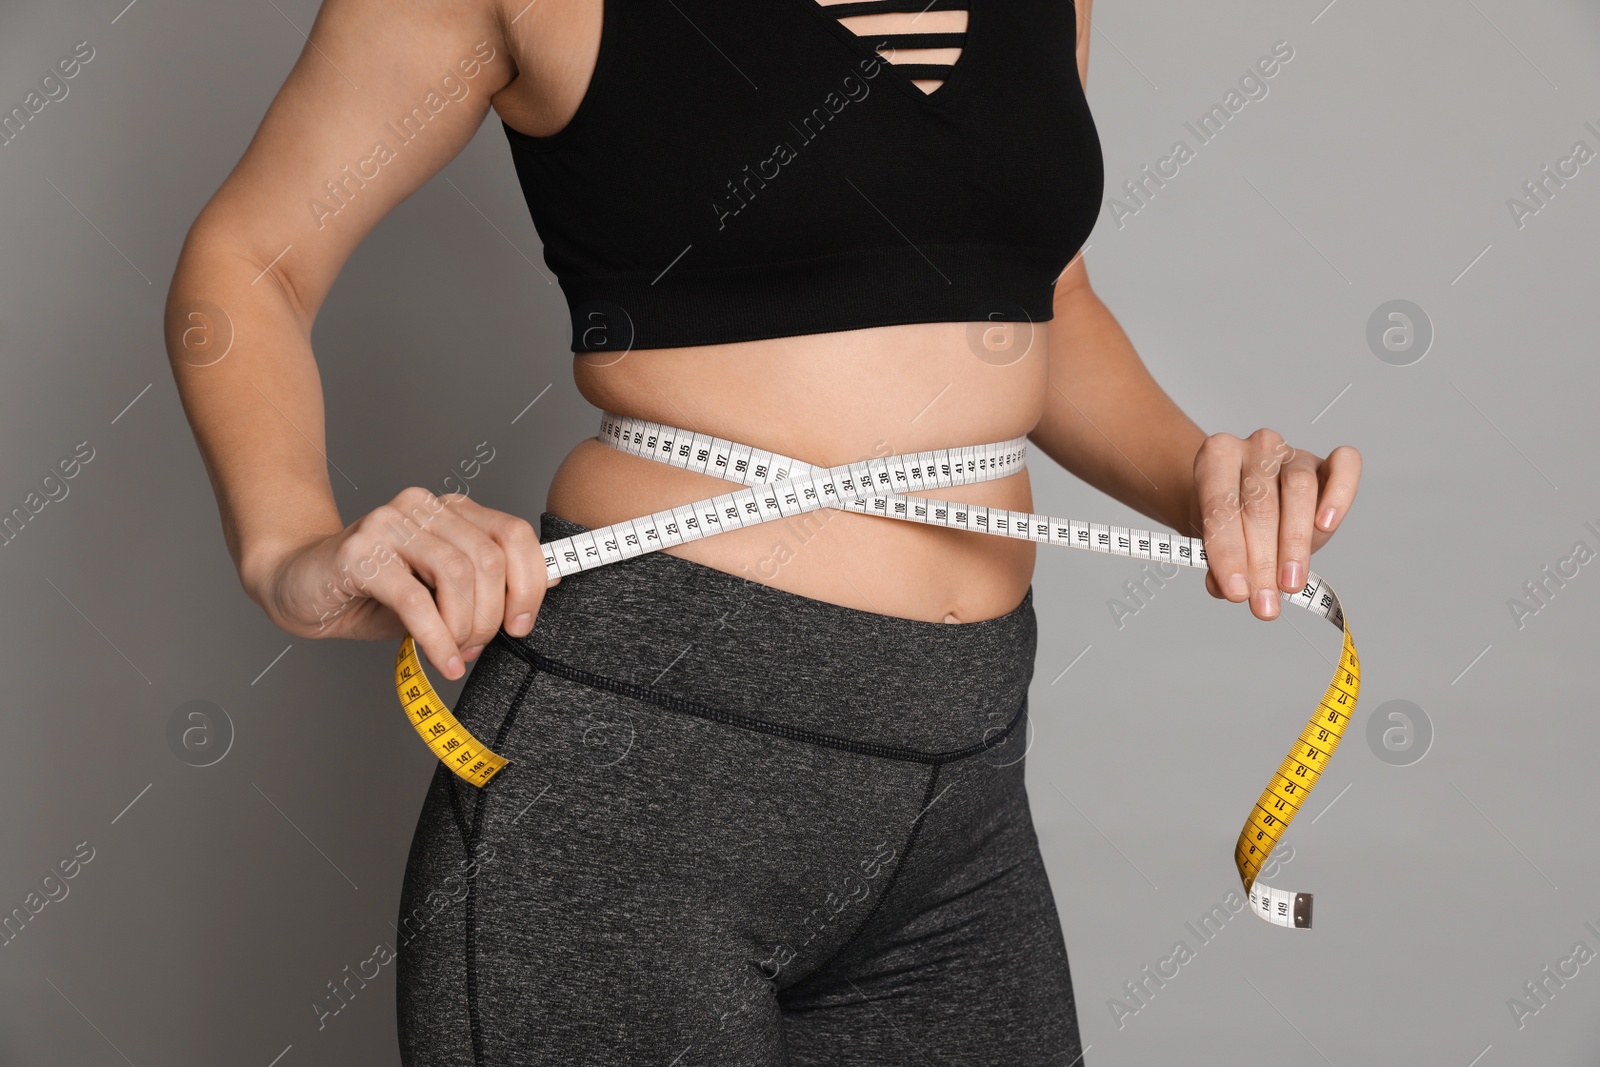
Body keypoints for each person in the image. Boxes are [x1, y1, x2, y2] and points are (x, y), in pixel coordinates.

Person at [163, 0, 1361, 1062]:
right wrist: (291, 552)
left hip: (968, 789)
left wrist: (1206, 477)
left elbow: (1037, 296)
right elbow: (248, 261)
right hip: (641, 783)